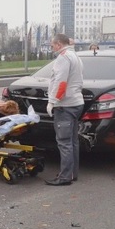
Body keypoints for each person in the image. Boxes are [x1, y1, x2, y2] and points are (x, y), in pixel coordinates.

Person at [45, 33, 85, 186]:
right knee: (73, 141)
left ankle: (65, 177)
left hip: (65, 105)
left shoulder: (63, 58)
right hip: (76, 103)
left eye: (53, 45)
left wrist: (52, 101)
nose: (52, 47)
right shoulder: (75, 56)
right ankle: (72, 173)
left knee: (64, 142)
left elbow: (61, 82)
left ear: (59, 44)